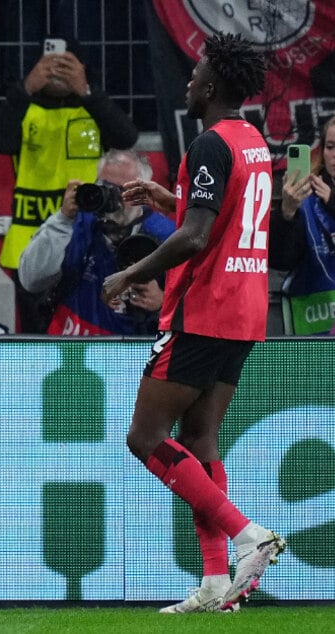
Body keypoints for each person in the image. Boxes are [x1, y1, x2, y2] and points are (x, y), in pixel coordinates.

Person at [101, 32, 285, 613]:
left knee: (143, 438)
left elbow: (198, 237)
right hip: (246, 309)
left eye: (196, 71)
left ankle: (248, 536)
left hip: (205, 309)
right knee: (199, 440)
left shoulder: (209, 143)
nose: (189, 80)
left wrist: (128, 276)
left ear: (211, 86)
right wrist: (170, 200)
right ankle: (213, 584)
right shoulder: (251, 139)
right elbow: (220, 218)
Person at [0, 38, 138, 332]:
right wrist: (26, 88)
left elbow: (126, 137)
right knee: (38, 337)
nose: (58, 72)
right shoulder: (25, 107)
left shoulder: (94, 108)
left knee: (88, 327)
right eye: (50, 65)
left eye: (68, 65)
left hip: (87, 240)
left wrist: (86, 91)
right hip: (30, 244)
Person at [19, 149, 175, 336]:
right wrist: (62, 220)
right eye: (105, 186)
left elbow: (200, 307)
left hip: (128, 354)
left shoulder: (165, 236)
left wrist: (163, 304)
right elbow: (31, 280)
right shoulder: (76, 222)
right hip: (69, 348)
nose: (112, 197)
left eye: (123, 190)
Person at [269, 116, 335, 335]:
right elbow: (281, 260)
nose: (334, 155)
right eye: (330, 146)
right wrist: (287, 212)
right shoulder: (305, 200)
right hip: (314, 329)